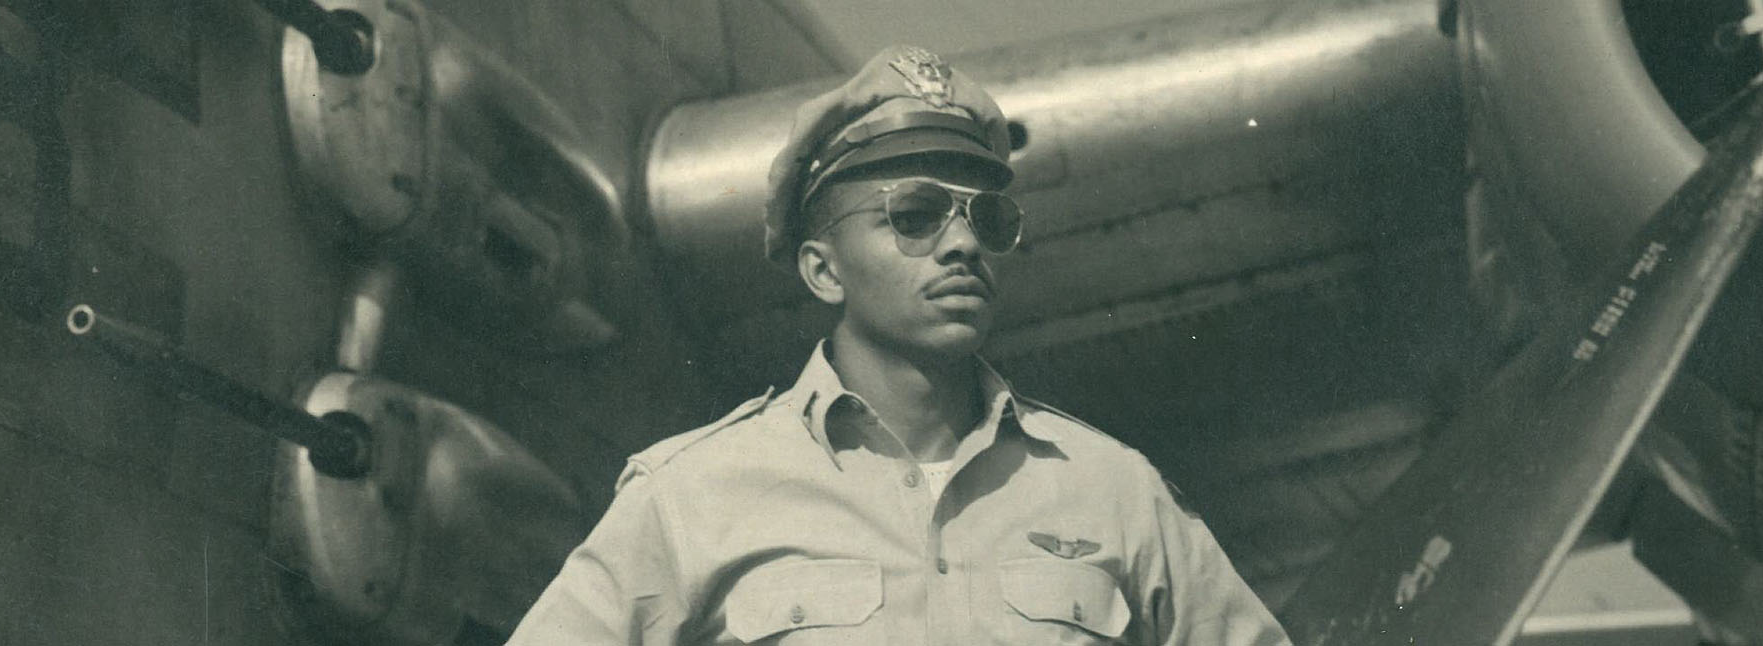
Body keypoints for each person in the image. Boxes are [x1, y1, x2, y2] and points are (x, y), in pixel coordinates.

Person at [506, 45, 1291, 646]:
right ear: (823, 270)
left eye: (986, 219)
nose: (962, 245)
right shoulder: (689, 498)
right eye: (912, 215)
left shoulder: (1116, 495)